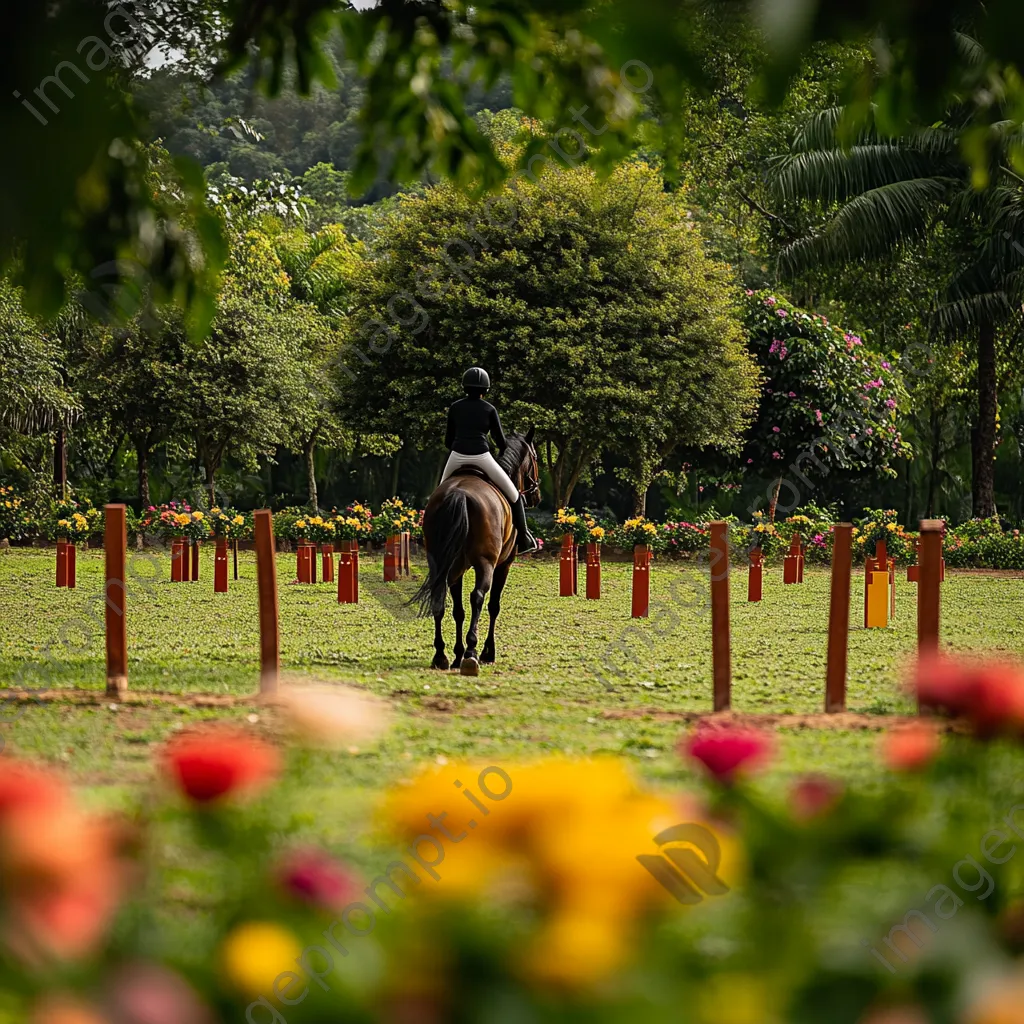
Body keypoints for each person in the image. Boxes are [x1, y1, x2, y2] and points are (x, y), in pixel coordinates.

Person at [440, 367, 538, 553]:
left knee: (439, 494)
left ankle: (431, 533)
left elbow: (448, 441)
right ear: (485, 390)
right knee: (515, 496)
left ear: (464, 387)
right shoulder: (489, 409)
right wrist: (497, 450)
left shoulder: (455, 407)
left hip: (457, 456)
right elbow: (501, 442)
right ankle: (524, 538)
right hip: (482, 457)